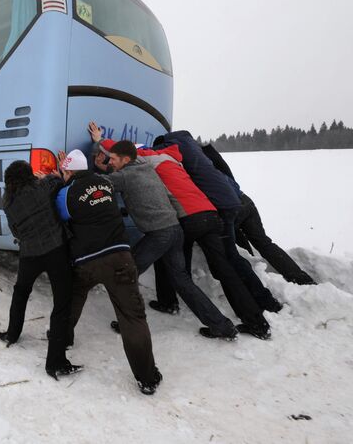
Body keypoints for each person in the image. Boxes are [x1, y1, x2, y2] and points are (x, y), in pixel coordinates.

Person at [94, 136, 240, 340]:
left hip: (159, 234)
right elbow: (123, 178)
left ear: (126, 160)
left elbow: (97, 186)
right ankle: (222, 326)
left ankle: (130, 324)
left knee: (127, 273)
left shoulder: (126, 176)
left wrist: (84, 172)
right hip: (175, 230)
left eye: (113, 159)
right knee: (182, 280)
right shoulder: (147, 170)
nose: (110, 162)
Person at [135, 143, 272, 339]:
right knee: (225, 269)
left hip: (189, 220)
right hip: (210, 215)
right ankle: (257, 322)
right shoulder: (175, 160)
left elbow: (127, 153)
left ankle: (169, 302)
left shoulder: (151, 160)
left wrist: (100, 140)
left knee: (176, 267)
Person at [55, 149, 162, 394]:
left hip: (87, 260)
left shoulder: (66, 193)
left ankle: (63, 338)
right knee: (132, 317)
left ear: (69, 171)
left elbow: (62, 214)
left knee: (72, 298)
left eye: (64, 171)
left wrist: (59, 182)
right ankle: (147, 378)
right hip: (120, 257)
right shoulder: (105, 183)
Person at [153, 131, 283, 313]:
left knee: (228, 260)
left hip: (218, 206)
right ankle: (263, 302)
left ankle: (262, 303)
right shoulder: (192, 148)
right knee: (227, 258)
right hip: (229, 200)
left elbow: (152, 153)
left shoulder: (171, 147)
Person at [0, 160, 80, 380]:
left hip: (29, 254)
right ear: (29, 175)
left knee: (21, 292)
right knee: (62, 303)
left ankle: (12, 334)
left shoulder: (8, 203)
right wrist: (44, 176)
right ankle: (55, 362)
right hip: (56, 250)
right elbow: (57, 179)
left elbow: (15, 231)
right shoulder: (42, 188)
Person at [200, 144, 316, 285]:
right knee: (264, 242)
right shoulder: (211, 164)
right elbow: (228, 174)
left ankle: (252, 268)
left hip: (230, 208)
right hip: (245, 200)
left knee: (230, 242)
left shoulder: (196, 170)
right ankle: (300, 278)